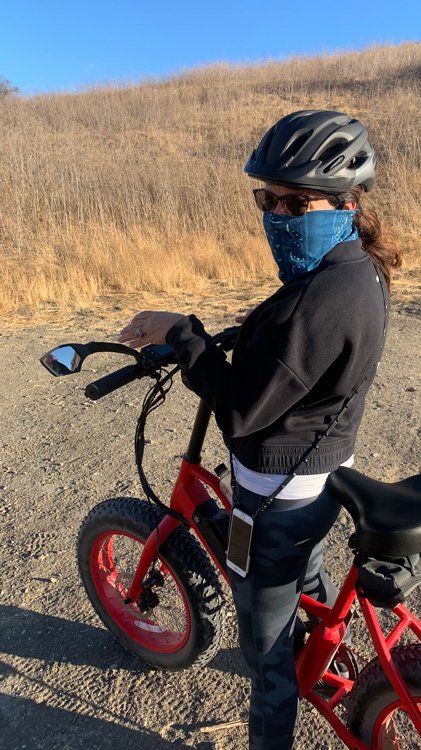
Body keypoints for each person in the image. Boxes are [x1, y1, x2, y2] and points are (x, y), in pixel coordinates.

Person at [117, 109, 402, 750]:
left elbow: (243, 410)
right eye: (267, 199)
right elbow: (299, 359)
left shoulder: (312, 303)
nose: (275, 214)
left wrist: (185, 335)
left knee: (265, 654)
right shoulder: (357, 270)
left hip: (276, 494)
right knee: (309, 569)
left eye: (294, 202)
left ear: (344, 203)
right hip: (323, 471)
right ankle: (324, 645)